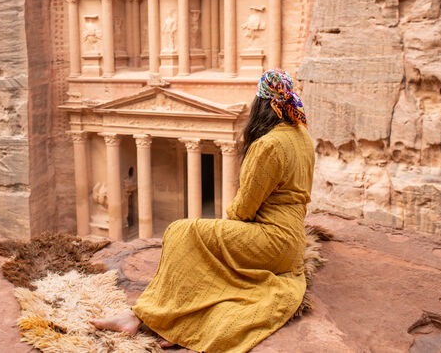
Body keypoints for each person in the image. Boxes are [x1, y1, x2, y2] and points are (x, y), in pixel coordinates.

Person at [91, 69, 315, 352]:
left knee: (181, 232)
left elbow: (244, 209)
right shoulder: (301, 135)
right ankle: (168, 321)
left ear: (262, 104)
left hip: (271, 241)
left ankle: (142, 316)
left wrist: (227, 226)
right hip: (290, 243)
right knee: (203, 238)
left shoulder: (268, 145)